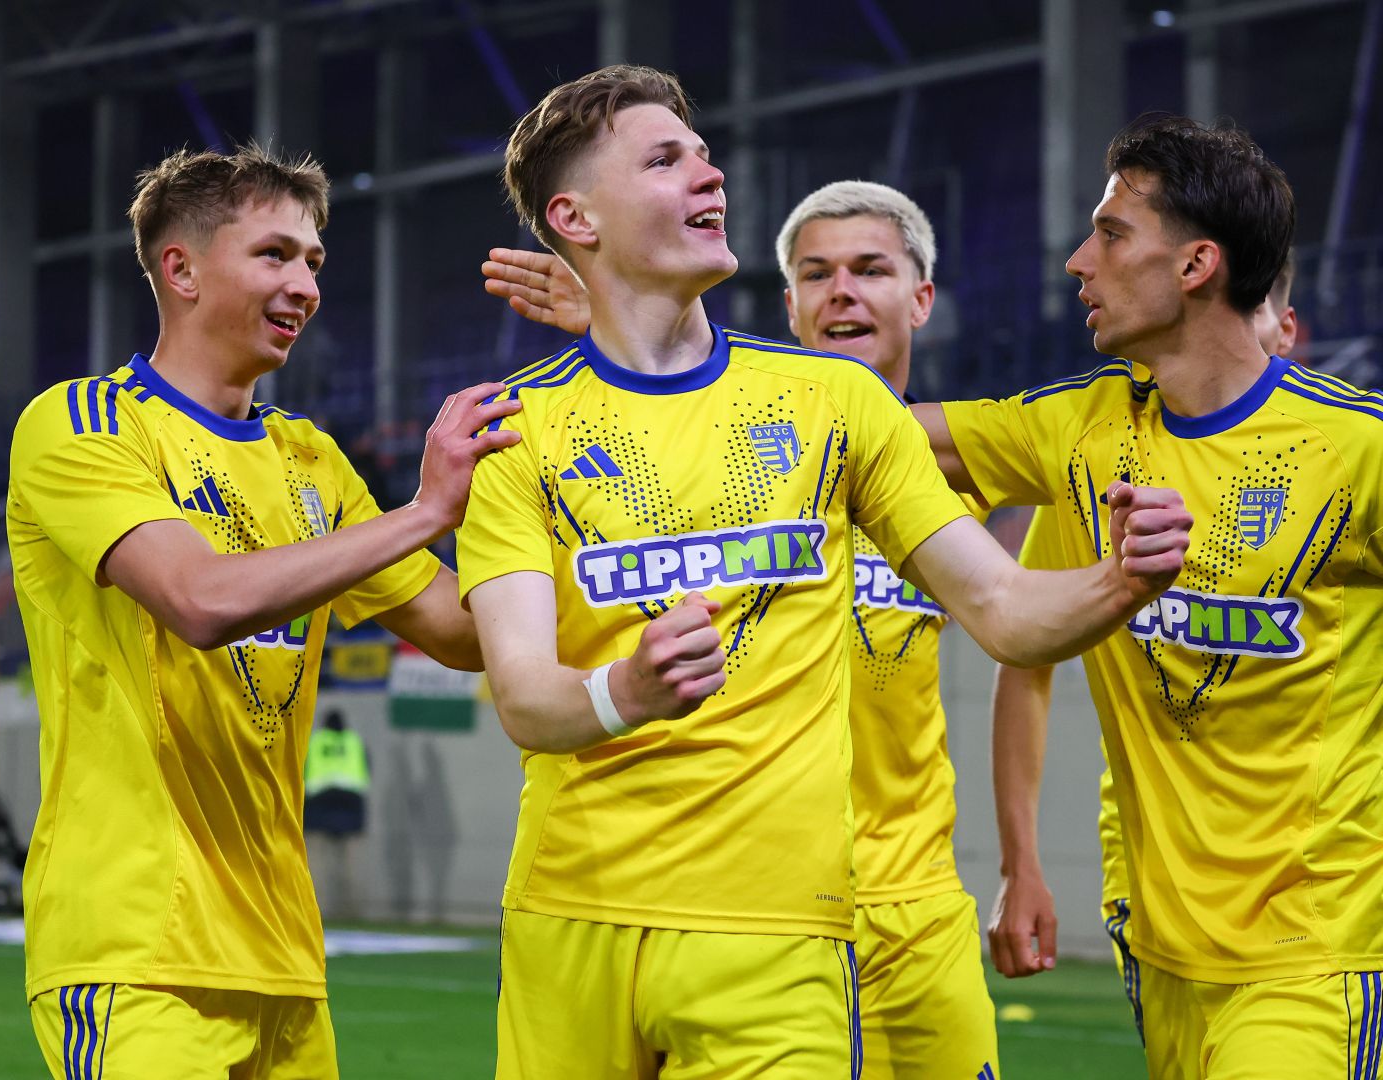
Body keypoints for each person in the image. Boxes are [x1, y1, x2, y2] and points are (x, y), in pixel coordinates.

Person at [459, 65, 1190, 1079]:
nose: (710, 174)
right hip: (568, 920)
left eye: (704, 154)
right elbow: (526, 700)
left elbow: (1005, 610)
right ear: (573, 218)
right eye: (665, 160)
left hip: (782, 934)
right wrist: (627, 690)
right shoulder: (512, 430)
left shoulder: (834, 402)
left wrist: (1122, 579)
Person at [6, 143, 520, 1080]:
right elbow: (200, 600)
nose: (305, 286)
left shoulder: (311, 459)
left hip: (283, 959)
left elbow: (460, 629)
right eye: (275, 255)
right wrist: (422, 514)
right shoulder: (82, 425)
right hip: (137, 950)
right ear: (181, 270)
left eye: (314, 261)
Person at [484, 180, 1002, 1078]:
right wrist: (622, 323)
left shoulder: (952, 461)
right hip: (743, 889)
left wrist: (1020, 862)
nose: (843, 292)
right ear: (789, 305)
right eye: (816, 274)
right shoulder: (682, 441)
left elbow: (1092, 459)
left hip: (908, 897)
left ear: (924, 298)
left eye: (871, 270)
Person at [916, 115, 1383, 1078]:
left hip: (1320, 950)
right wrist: (652, 367)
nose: (1078, 261)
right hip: (1163, 948)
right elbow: (875, 437)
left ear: (1197, 264)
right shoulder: (1085, 432)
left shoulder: (1357, 447)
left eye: (1111, 233)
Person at [986, 257, 1301, 1050]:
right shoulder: (1100, 467)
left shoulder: (1342, 459)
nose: (1081, 262)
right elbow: (1025, 652)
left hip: (1312, 919)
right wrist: (1020, 862)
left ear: (1284, 330)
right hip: (1152, 898)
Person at [304, 709, 371, 918]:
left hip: (319, 799)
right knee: (349, 856)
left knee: (318, 857)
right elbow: (367, 768)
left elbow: (302, 768)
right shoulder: (354, 741)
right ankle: (351, 907)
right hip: (350, 801)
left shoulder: (316, 741)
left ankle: (318, 906)